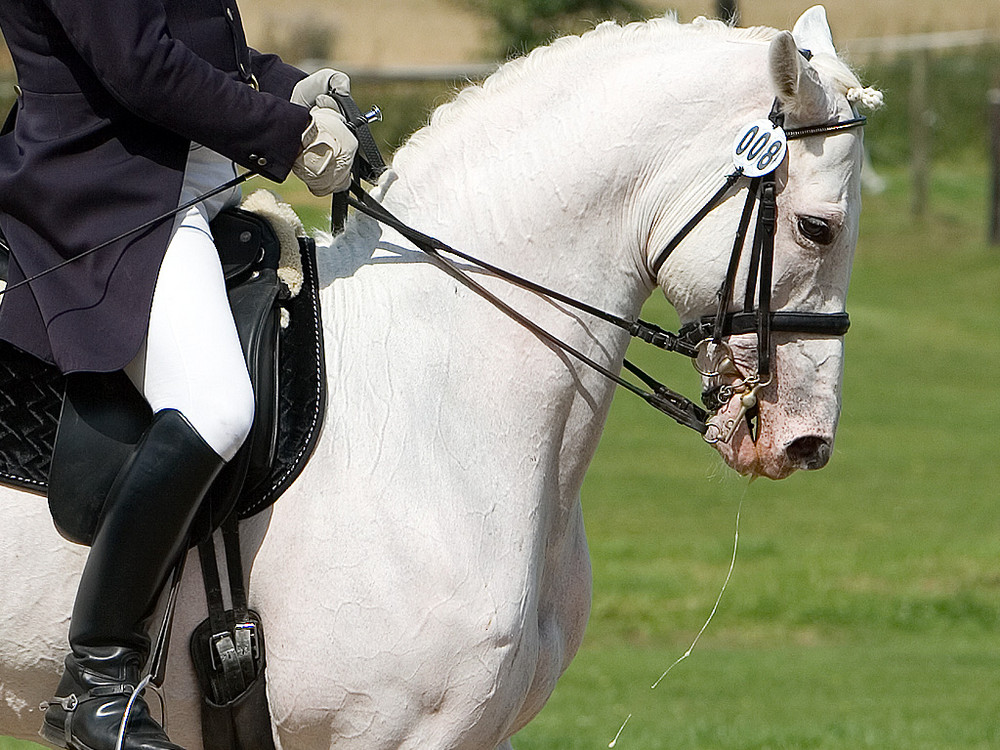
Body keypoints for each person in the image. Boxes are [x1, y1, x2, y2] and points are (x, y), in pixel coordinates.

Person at [0, 2, 358, 750]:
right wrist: (287, 138)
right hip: (112, 200)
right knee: (215, 405)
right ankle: (99, 682)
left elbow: (194, 38)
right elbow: (138, 63)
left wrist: (286, 86)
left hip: (192, 185)